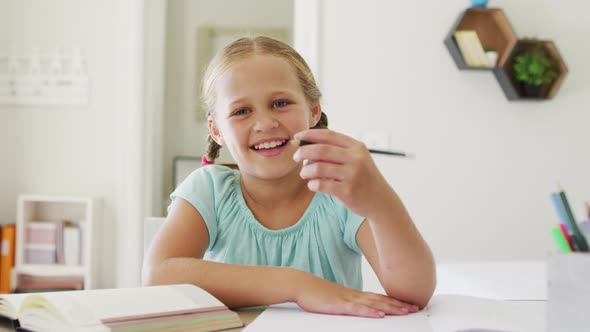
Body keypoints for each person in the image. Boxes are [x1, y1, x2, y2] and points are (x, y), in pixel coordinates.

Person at [142, 36, 435, 318]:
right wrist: (296, 285)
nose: (265, 123)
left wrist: (379, 201)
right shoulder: (208, 190)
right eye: (242, 111)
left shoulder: (340, 193)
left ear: (313, 110)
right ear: (216, 130)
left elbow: (413, 295)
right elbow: (159, 275)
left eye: (280, 103)